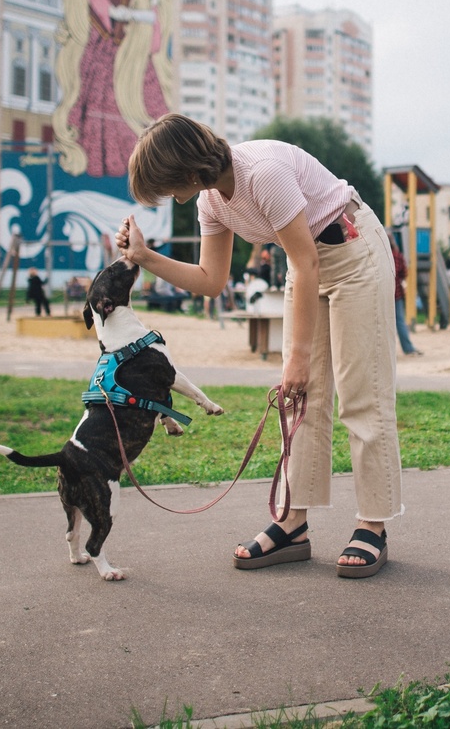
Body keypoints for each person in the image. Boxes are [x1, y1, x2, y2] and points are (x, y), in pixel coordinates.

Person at [116, 114, 402, 579]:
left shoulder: (262, 172)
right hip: (306, 264)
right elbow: (211, 281)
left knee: (361, 397)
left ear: (187, 170)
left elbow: (307, 260)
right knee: (300, 400)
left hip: (352, 255)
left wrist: (297, 359)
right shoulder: (210, 200)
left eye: (166, 186)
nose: (167, 196)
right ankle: (293, 524)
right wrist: (145, 258)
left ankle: (373, 524)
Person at [51, 0, 172, 178]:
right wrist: (109, 9)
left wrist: (153, 1)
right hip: (100, 36)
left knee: (147, 106)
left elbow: (154, 41)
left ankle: (143, 169)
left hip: (126, 48)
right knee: (94, 104)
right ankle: (96, 164)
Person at [390, 240, 423, 356]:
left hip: (383, 292)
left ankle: (387, 351)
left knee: (383, 322)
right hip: (397, 292)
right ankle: (408, 348)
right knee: (400, 321)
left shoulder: (382, 254)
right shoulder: (398, 256)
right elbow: (404, 273)